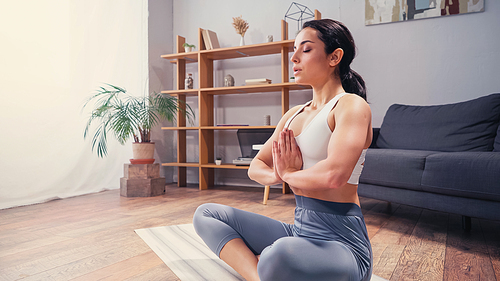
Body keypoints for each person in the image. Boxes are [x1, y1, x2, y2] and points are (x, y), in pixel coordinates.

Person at [193, 19, 373, 281]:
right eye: (294, 49)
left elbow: (334, 175)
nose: (294, 58)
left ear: (334, 57)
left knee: (278, 254)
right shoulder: (292, 115)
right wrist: (278, 174)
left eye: (306, 49)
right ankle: (259, 276)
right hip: (299, 231)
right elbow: (256, 166)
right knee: (206, 214)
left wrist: (288, 173)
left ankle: (269, 268)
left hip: (343, 244)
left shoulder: (351, 106)